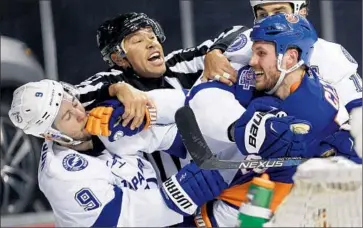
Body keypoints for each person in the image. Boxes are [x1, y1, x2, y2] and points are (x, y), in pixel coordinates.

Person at [186, 14, 361, 227]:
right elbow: (202, 97)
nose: (252, 61)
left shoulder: (311, 110)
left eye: (261, 53)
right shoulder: (273, 81)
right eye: (254, 52)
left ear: (290, 58)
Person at [8, 79, 228, 227]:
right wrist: (189, 187)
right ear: (51, 135)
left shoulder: (101, 123)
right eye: (67, 117)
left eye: (75, 103)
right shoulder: (62, 177)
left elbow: (176, 138)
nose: (79, 113)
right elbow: (125, 218)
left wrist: (145, 113)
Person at [74, 12, 245, 182]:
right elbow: (61, 98)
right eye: (138, 41)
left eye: (152, 37)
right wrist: (114, 89)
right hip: (159, 199)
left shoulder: (179, 63)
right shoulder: (111, 81)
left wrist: (216, 51)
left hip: (216, 183)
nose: (151, 44)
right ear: (119, 59)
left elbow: (241, 33)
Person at [211, 0, 361, 115]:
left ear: (301, 12)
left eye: (278, 13)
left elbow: (357, 112)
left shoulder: (329, 55)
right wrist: (212, 56)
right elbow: (192, 70)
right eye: (262, 15)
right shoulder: (241, 46)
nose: (270, 22)